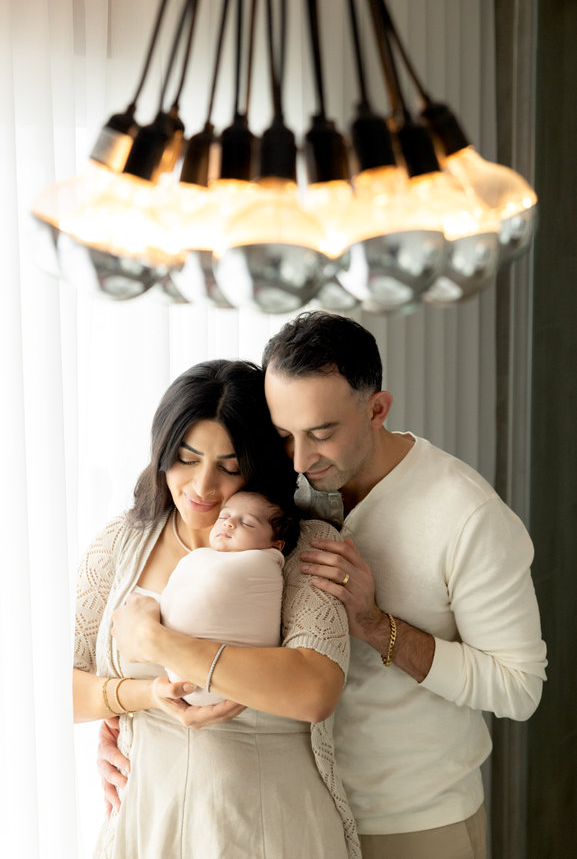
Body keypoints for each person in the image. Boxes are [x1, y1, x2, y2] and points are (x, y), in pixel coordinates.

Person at [260, 311, 547, 859]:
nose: (300, 459)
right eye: (284, 435)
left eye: (322, 433)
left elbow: (519, 688)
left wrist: (374, 625)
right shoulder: (285, 484)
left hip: (414, 825)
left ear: (377, 409)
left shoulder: (469, 516)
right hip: (298, 813)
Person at [73, 359, 360, 859]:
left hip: (268, 819)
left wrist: (159, 643)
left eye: (229, 468)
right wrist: (146, 694)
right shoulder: (121, 544)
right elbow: (63, 690)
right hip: (148, 816)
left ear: (260, 467)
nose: (203, 488)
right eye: (186, 459)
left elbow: (315, 689)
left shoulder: (301, 546)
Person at [159, 489, 300, 705]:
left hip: (230, 678)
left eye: (247, 523)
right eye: (224, 517)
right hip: (183, 675)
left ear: (276, 545)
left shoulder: (263, 563)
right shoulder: (201, 557)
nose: (229, 523)